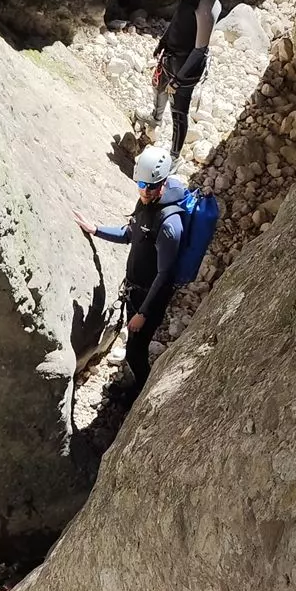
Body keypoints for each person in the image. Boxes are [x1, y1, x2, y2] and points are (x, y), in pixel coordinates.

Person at [73, 145, 188, 407]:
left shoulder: (170, 225)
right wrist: (97, 229)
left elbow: (164, 275)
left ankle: (141, 392)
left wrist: (143, 313)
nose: (145, 191)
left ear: (164, 182)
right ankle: (135, 382)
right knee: (134, 344)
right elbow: (130, 235)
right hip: (136, 292)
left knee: (137, 350)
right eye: (141, 184)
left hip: (150, 298)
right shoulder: (146, 202)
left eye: (152, 186)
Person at [150, 0, 234, 159]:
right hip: (172, 52)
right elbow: (179, 18)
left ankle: (175, 156)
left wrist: (180, 79)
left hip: (186, 65)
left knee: (179, 112)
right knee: (158, 86)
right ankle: (155, 120)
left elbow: (199, 49)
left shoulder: (208, 5)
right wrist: (163, 41)